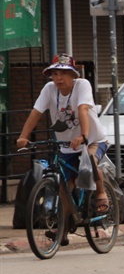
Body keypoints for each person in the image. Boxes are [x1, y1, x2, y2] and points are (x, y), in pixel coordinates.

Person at [16, 55, 110, 217]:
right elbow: (36, 112)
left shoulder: (82, 85)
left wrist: (83, 136)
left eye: (64, 73)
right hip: (67, 145)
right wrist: (23, 137)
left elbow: (83, 110)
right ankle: (64, 225)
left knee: (89, 165)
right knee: (64, 185)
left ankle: (101, 193)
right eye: (55, 74)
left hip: (92, 140)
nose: (58, 78)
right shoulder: (49, 89)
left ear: (73, 75)